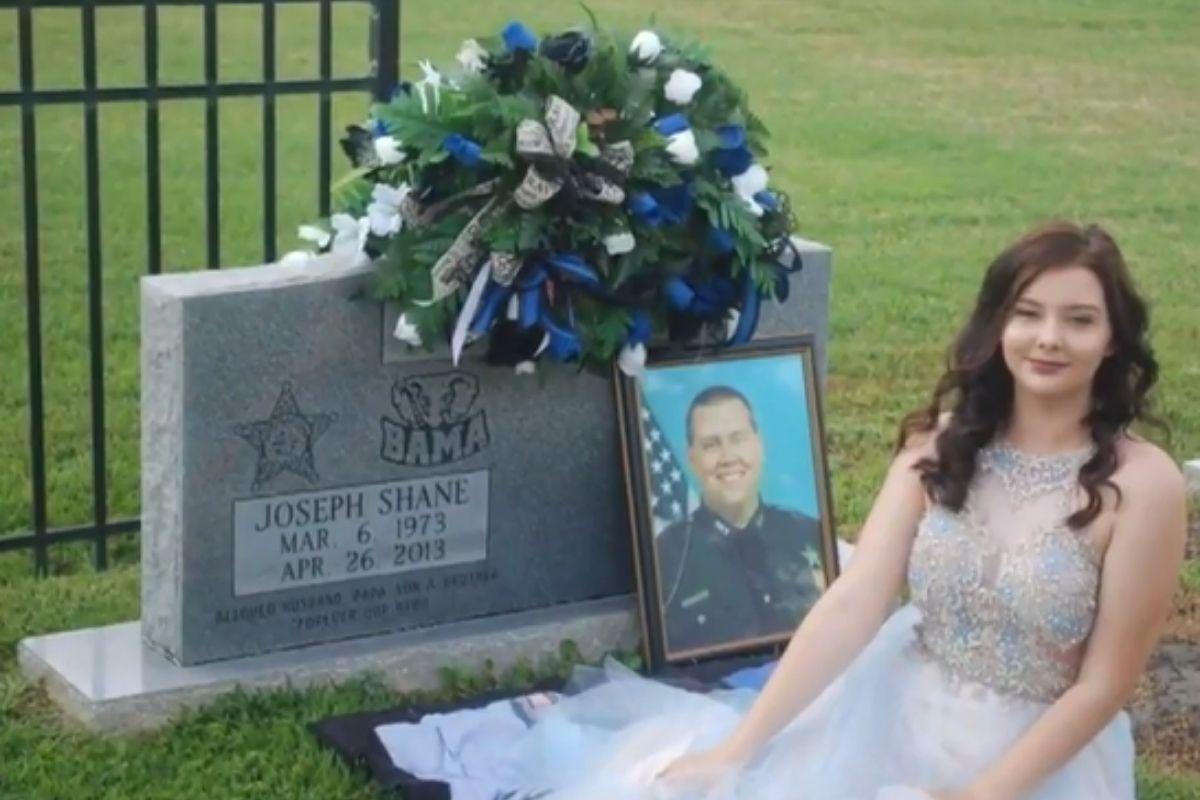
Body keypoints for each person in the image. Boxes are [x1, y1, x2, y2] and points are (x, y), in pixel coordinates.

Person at [496, 221, 1187, 799]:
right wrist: (739, 748)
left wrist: (978, 797)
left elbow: (1104, 686)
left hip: (1039, 761)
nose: (1048, 338)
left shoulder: (1142, 485)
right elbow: (855, 601)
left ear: (1113, 338)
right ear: (997, 325)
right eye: (1027, 313)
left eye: (1079, 320)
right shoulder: (945, 446)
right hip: (891, 718)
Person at [655, 385, 824, 655]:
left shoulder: (810, 534)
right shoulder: (666, 559)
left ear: (759, 445)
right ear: (692, 459)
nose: (728, 457)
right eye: (711, 445)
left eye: (738, 439)